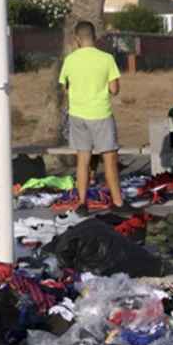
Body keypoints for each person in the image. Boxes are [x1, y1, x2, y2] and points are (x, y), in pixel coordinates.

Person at [58, 21, 129, 216]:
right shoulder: (106, 59)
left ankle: (82, 202)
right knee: (109, 159)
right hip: (101, 114)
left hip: (77, 115)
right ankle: (117, 201)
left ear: (77, 39)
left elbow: (64, 87)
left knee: (83, 160)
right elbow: (114, 90)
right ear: (95, 37)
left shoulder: (70, 60)